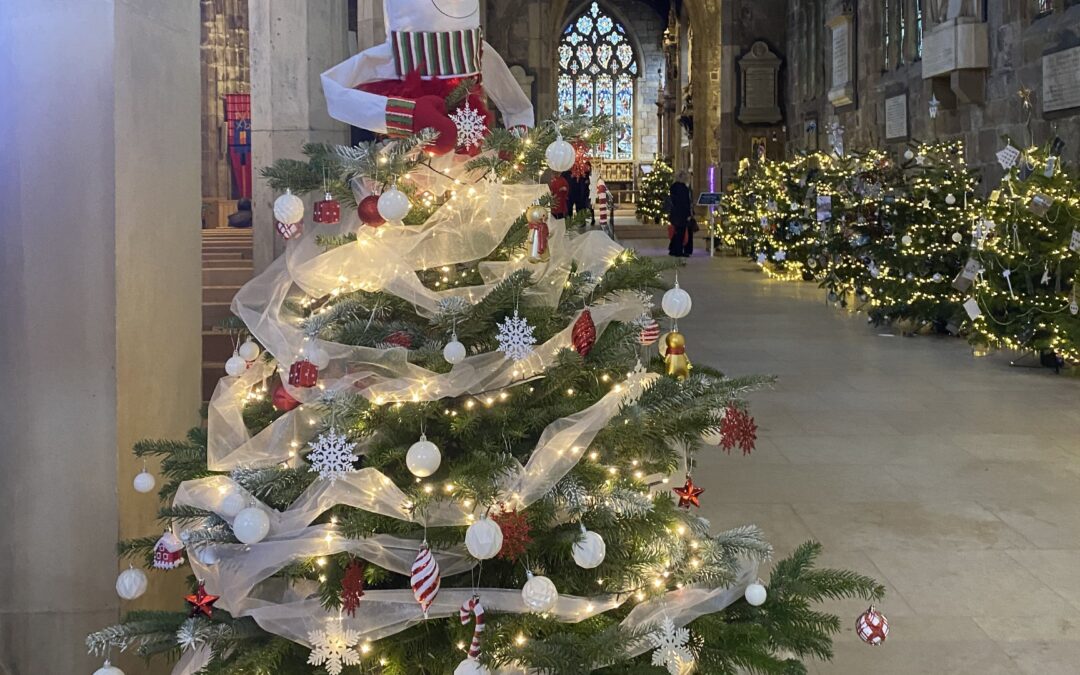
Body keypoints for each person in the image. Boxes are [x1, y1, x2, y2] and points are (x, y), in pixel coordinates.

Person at [668, 169, 694, 257]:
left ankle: (673, 249)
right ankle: (678, 251)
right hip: (682, 214)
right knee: (681, 233)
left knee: (677, 232)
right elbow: (685, 203)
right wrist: (688, 214)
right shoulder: (683, 188)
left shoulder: (673, 187)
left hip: (674, 213)